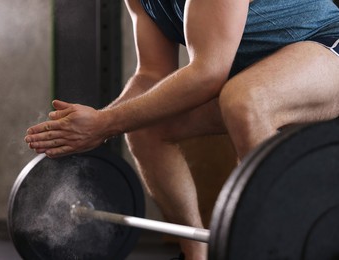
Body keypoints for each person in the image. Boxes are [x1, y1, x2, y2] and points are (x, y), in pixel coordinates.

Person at [25, 0, 339, 259]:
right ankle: (196, 254)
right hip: (257, 74)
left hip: (326, 51)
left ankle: (271, 247)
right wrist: (103, 119)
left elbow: (208, 73)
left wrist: (103, 126)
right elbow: (151, 74)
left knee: (245, 100)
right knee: (145, 125)